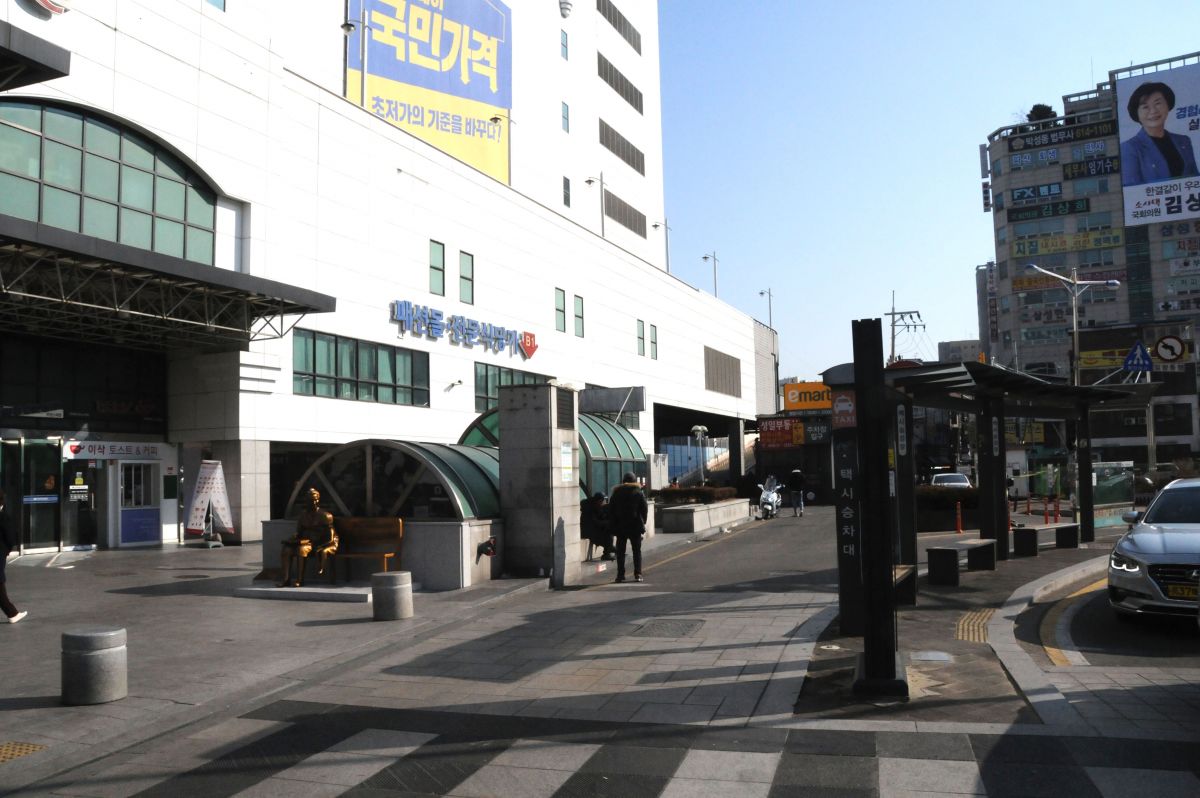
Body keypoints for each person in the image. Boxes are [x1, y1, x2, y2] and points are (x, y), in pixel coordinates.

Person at [1120, 81, 1199, 187]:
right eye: (1145, 107)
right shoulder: (1130, 148)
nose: (1153, 111)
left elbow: (1195, 177)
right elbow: (1132, 189)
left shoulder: (1184, 141)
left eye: (1158, 103)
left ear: (1168, 105)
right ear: (1136, 113)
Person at [278, 487, 339, 587]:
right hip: (304, 541)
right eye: (309, 500)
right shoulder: (303, 516)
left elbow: (330, 538)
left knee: (301, 549)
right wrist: (293, 538)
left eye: (314, 500)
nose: (312, 502)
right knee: (286, 549)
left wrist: (318, 546)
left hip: (319, 543)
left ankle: (299, 580)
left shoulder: (325, 516)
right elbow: (299, 532)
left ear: (318, 500)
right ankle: (285, 579)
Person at [609, 472, 647, 583]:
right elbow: (644, 509)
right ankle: (638, 574)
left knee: (620, 552)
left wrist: (613, 524)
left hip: (620, 526)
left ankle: (620, 575)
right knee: (636, 551)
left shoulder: (616, 492)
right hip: (635, 525)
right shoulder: (638, 492)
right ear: (634, 481)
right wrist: (643, 522)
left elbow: (611, 510)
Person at [0, 489, 26, 624]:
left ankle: (12, 613)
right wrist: (7, 550)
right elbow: (10, 538)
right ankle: (12, 613)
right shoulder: (4, 517)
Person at [580, 492, 614, 561]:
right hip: (588, 531)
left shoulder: (596, 506)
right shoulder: (589, 509)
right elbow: (595, 522)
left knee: (609, 529)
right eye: (602, 501)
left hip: (594, 529)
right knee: (607, 532)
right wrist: (607, 523)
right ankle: (608, 551)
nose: (603, 502)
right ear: (599, 501)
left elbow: (600, 518)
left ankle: (609, 550)